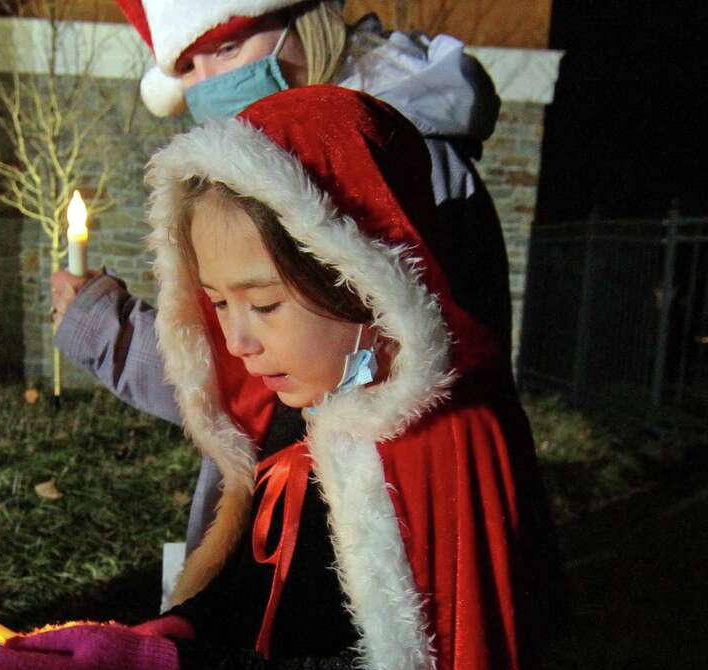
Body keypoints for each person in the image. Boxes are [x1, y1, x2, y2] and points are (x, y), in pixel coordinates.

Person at [0, 86, 548, 670]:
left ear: (362, 275)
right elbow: (252, 591)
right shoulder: (293, 415)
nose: (238, 340)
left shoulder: (446, 440)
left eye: (265, 303)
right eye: (217, 303)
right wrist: (169, 637)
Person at [52, 0, 512, 557]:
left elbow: (273, 383)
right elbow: (243, 366)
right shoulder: (238, 173)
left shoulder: (393, 166)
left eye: (227, 48)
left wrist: (110, 332)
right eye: (187, 68)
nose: (210, 84)